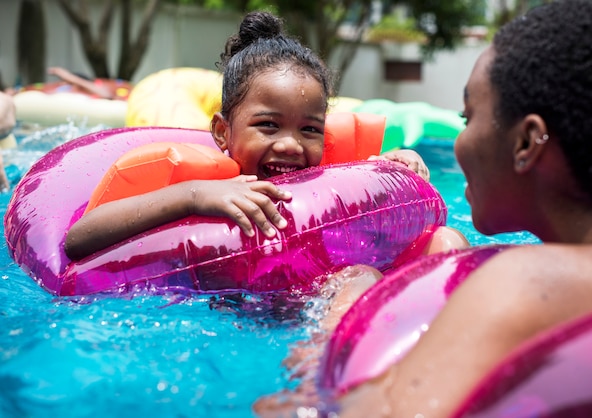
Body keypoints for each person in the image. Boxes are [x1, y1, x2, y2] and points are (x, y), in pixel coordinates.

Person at [254, 0, 592, 417]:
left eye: (467, 119)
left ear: (525, 143)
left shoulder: (523, 282)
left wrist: (333, 328)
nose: (458, 143)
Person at [64, 11, 465, 261]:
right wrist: (196, 195)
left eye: (310, 129)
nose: (291, 145)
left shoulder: (326, 174)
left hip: (308, 291)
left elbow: (362, 181)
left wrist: (393, 164)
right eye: (268, 125)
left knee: (448, 241)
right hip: (227, 308)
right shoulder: (198, 186)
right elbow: (78, 240)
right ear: (223, 132)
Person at [47, 66, 121, 100]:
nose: (64, 86)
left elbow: (107, 95)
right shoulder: (61, 93)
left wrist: (71, 78)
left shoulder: (88, 96)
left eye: (69, 85)